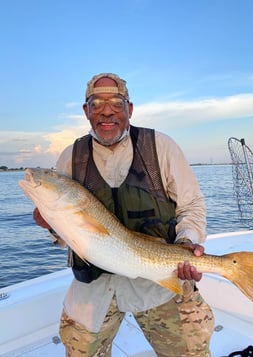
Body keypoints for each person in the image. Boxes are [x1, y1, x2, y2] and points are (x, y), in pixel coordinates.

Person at [34, 73, 214, 357]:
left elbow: (192, 206)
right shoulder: (71, 157)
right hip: (95, 286)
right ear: (86, 111)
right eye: (97, 104)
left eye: (117, 103)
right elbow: (67, 232)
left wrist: (187, 241)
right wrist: (51, 226)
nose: (107, 112)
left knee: (191, 351)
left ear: (130, 108)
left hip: (160, 279)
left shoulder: (161, 147)